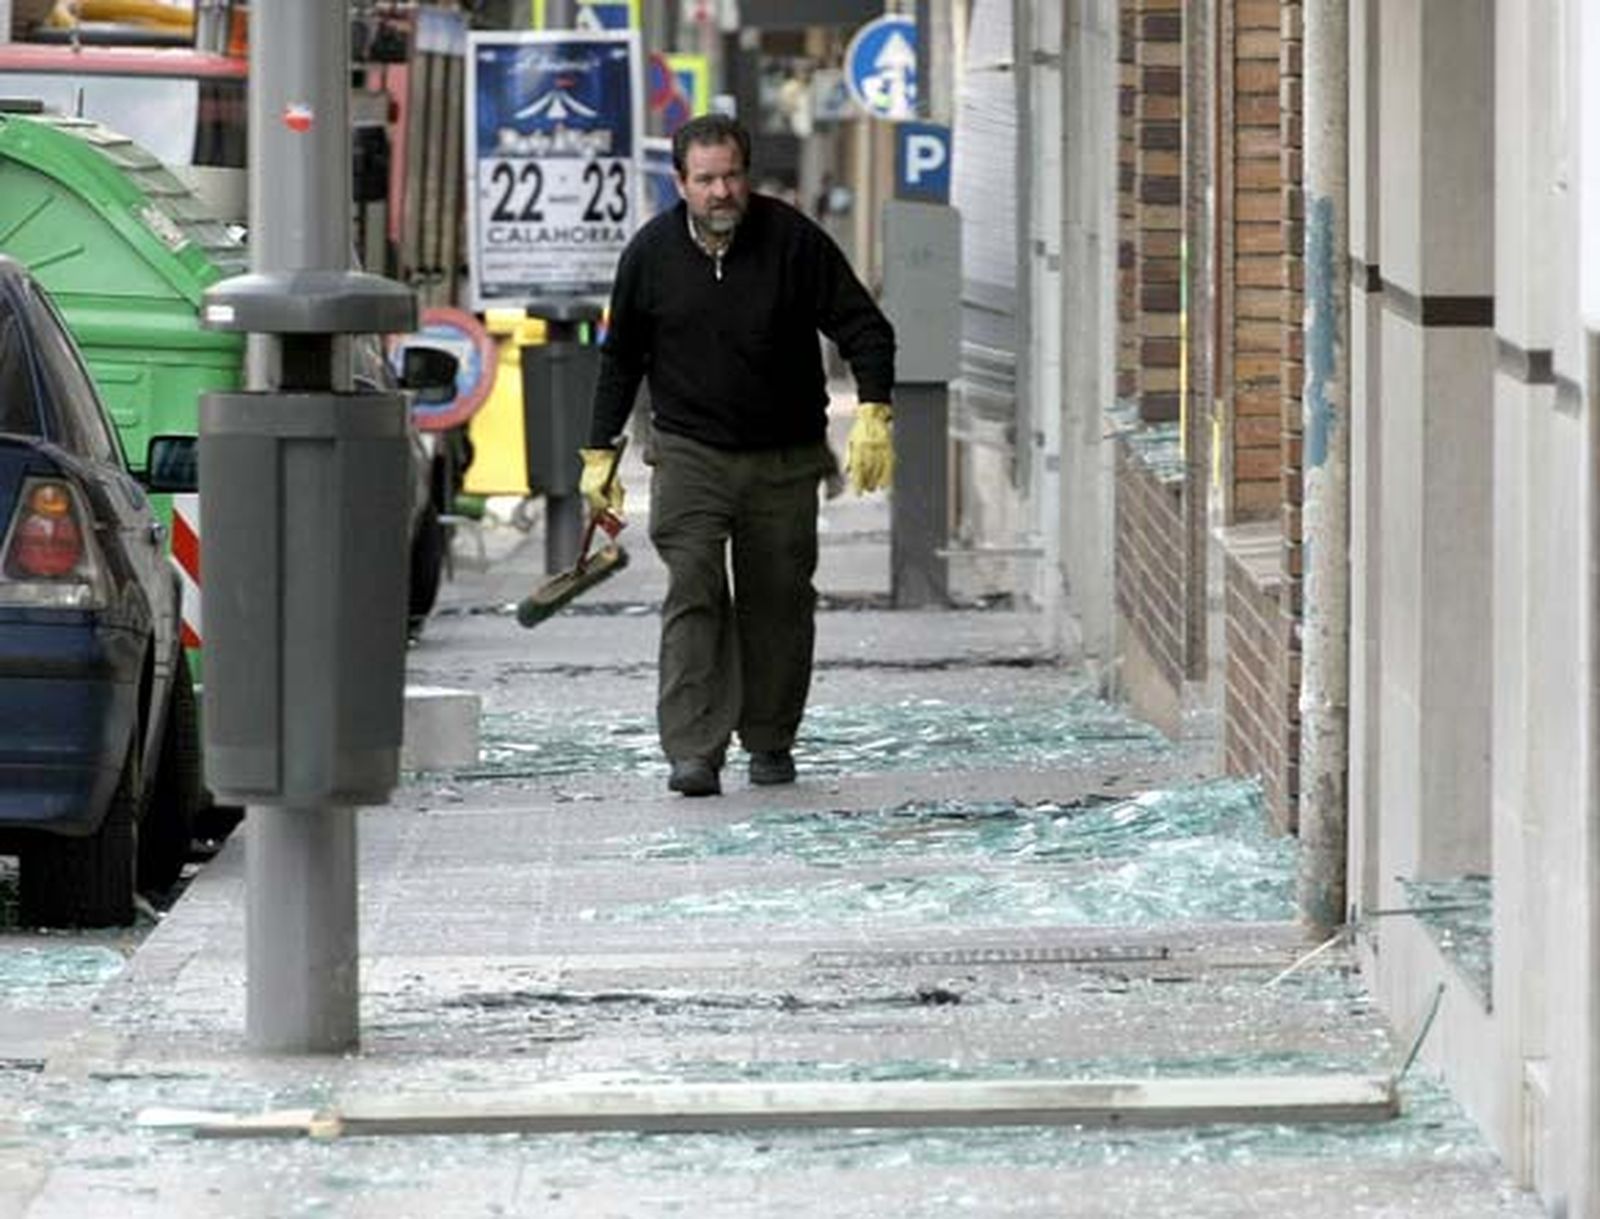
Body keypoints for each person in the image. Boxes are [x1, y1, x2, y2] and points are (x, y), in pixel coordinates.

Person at [580, 113, 896, 797]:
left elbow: (865, 328)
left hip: (783, 456)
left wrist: (873, 409)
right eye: (705, 180)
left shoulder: (792, 243)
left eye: (731, 176)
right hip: (690, 452)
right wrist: (598, 452)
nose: (721, 191)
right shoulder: (649, 256)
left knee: (778, 599)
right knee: (693, 586)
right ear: (680, 183)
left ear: (745, 175)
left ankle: (770, 736)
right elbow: (620, 360)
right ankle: (694, 748)